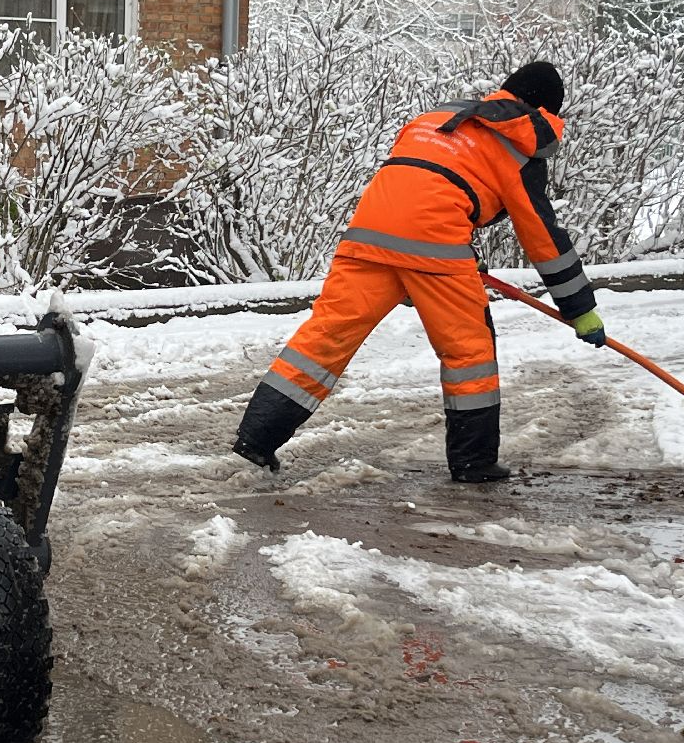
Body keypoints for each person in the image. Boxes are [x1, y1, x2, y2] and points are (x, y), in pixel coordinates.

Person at [232, 61, 605, 483]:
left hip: (368, 234)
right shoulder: (519, 147)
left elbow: (424, 182)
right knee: (469, 353)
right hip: (436, 249)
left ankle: (257, 438)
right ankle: (474, 462)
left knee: (323, 339)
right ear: (544, 113)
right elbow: (544, 239)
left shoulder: (435, 119)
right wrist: (579, 308)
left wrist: (443, 250)